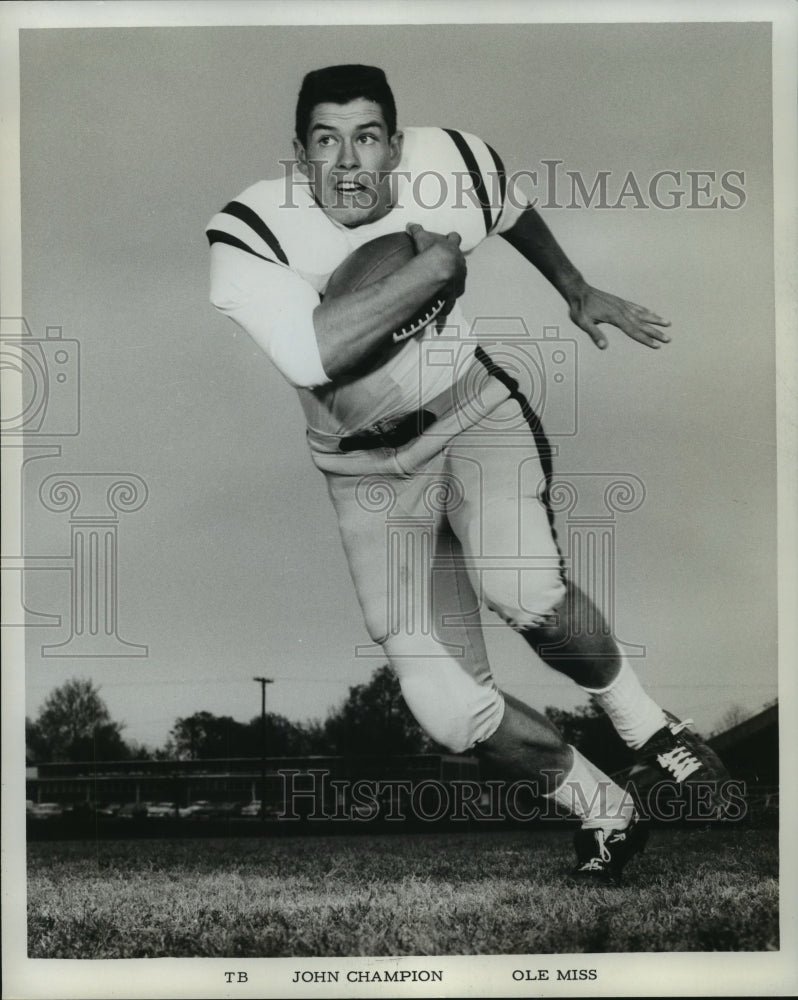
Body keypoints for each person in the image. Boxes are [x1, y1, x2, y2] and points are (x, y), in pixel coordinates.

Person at [207, 64, 729, 884]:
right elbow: (314, 354)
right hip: (366, 477)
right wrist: (435, 269)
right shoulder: (250, 232)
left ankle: (650, 732)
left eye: (368, 137)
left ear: (398, 144)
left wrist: (575, 287)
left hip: (472, 416)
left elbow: (510, 205)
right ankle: (606, 810)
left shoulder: (450, 161)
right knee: (450, 711)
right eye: (324, 140)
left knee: (525, 593)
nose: (347, 162)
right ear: (298, 156)